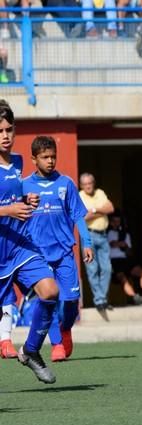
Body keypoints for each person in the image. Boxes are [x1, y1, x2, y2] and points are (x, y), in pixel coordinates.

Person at [0, 101, 60, 383]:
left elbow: (14, 199)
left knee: (50, 291)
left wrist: (26, 201)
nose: (5, 135)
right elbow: (6, 206)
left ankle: (32, 350)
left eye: (9, 129)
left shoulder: (19, 162)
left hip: (20, 245)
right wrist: (8, 210)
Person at [21, 136, 95, 363]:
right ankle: (56, 345)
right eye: (45, 157)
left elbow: (78, 216)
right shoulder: (24, 185)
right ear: (34, 159)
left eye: (53, 156)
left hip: (64, 253)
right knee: (49, 300)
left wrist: (87, 243)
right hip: (37, 255)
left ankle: (66, 328)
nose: (50, 161)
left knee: (71, 302)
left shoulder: (66, 184)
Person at [79, 172, 115, 313]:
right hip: (89, 235)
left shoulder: (100, 193)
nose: (88, 186)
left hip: (103, 234)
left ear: (93, 183)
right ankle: (100, 300)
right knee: (92, 269)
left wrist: (93, 210)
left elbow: (111, 208)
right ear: (81, 185)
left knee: (106, 268)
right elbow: (82, 217)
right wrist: (101, 211)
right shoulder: (80, 196)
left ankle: (102, 298)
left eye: (90, 183)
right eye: (85, 184)